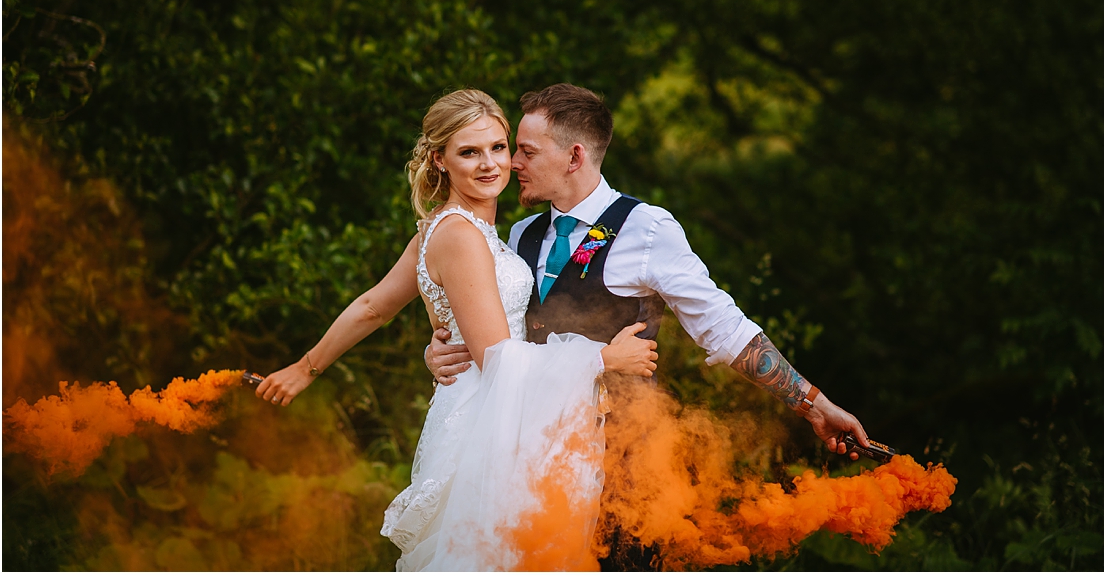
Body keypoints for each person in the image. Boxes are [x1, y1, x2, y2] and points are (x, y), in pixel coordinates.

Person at [426, 84, 870, 568]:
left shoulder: (647, 229)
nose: (512, 163)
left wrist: (812, 403)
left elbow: (723, 327)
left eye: (526, 151)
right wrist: (445, 347)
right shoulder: (520, 234)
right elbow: (500, 337)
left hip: (624, 462)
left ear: (574, 156)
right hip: (532, 456)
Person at [256, 89, 657, 571]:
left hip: (494, 403)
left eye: (498, 148)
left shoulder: (448, 229)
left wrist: (306, 367)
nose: (489, 164)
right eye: (469, 152)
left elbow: (371, 307)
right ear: (439, 160)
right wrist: (601, 360)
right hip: (490, 415)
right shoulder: (462, 237)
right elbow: (498, 360)